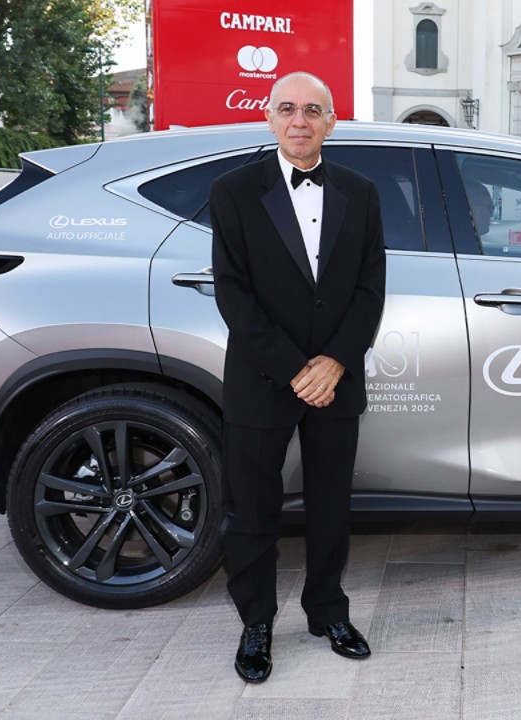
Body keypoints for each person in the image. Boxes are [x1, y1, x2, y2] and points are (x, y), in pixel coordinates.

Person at [209, 71, 387, 684]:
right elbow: (232, 294)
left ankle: (328, 611)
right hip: (263, 378)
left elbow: (370, 290)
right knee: (252, 508)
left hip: (336, 377)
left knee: (331, 505)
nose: (300, 120)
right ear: (269, 116)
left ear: (332, 121)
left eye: (313, 110)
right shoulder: (233, 191)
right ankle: (256, 622)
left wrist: (335, 360)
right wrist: (294, 369)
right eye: (287, 108)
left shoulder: (361, 192)